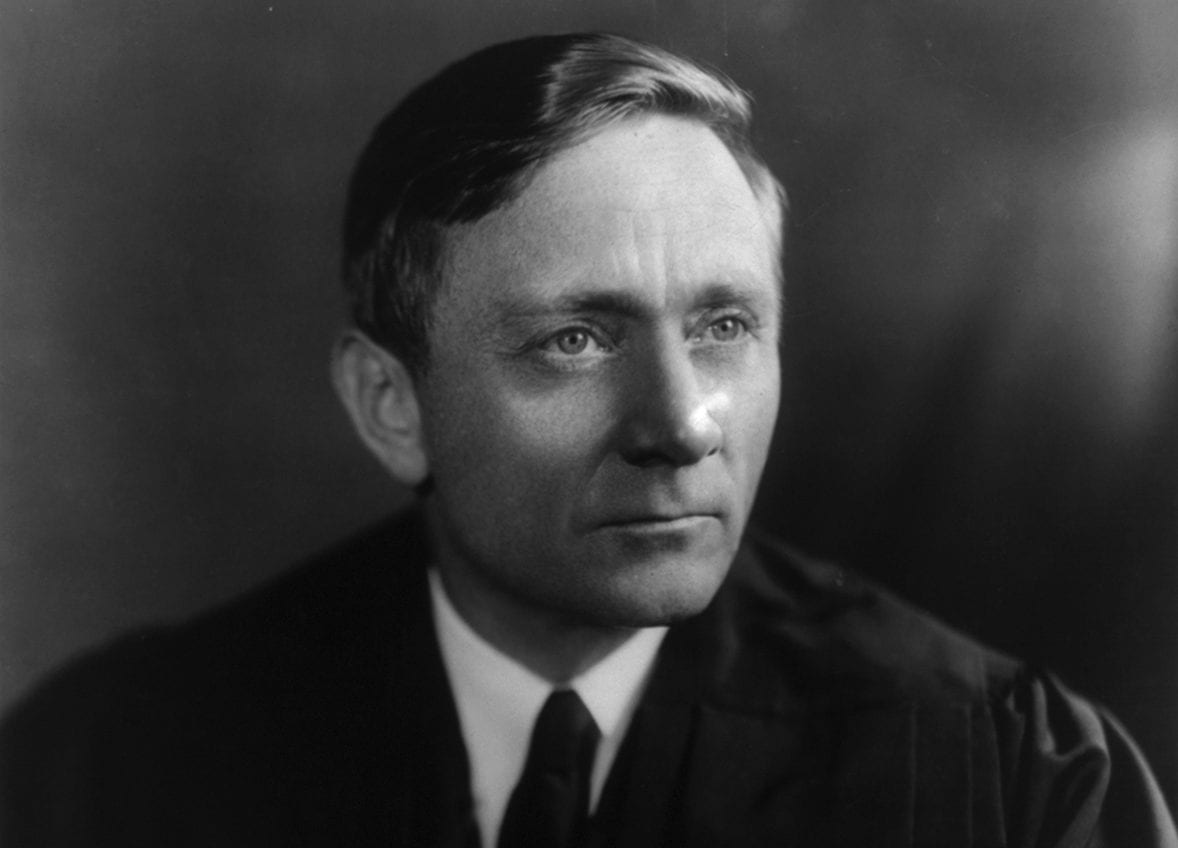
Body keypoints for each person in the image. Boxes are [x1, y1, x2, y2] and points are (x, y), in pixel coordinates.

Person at [1, 31, 1174, 848]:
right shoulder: (114, 763)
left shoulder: (1010, 778)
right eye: (574, 339)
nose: (679, 422)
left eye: (723, 326)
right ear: (389, 404)